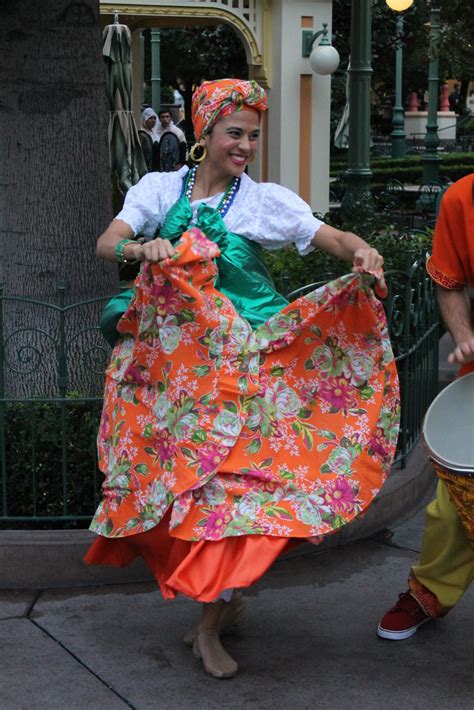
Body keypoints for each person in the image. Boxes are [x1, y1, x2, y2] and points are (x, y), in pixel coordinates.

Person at [85, 78, 400, 679]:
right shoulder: (156, 190)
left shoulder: (264, 201)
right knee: (171, 486)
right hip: (177, 376)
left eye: (254, 135)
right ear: (204, 132)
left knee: (233, 498)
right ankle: (222, 607)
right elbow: (108, 243)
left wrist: (361, 251)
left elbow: (330, 237)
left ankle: (207, 627)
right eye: (236, 132)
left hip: (247, 366)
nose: (247, 145)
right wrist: (141, 250)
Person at [377, 173, 474, 641]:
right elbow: (450, 282)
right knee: (452, 507)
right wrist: (462, 335)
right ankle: (429, 591)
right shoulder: (463, 198)